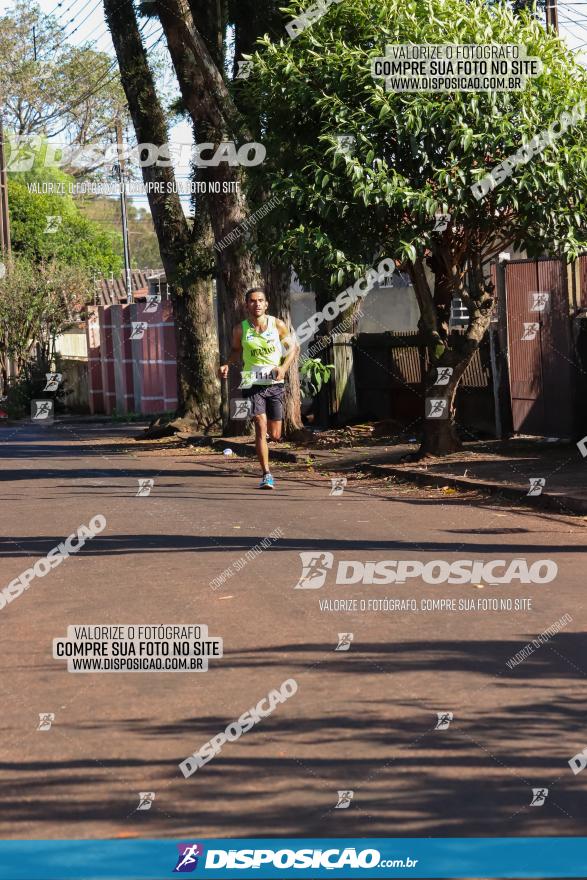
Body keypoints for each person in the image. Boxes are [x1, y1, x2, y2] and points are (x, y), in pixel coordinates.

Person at [219, 287, 298, 489]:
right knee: (260, 424)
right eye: (253, 301)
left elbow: (293, 348)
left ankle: (271, 445)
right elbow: (236, 351)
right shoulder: (240, 329)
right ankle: (266, 474)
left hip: (274, 383)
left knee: (276, 434)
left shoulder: (277, 325)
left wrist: (283, 367)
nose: (257, 304)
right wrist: (228, 363)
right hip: (251, 381)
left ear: (266, 304)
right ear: (247, 305)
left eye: (260, 300)